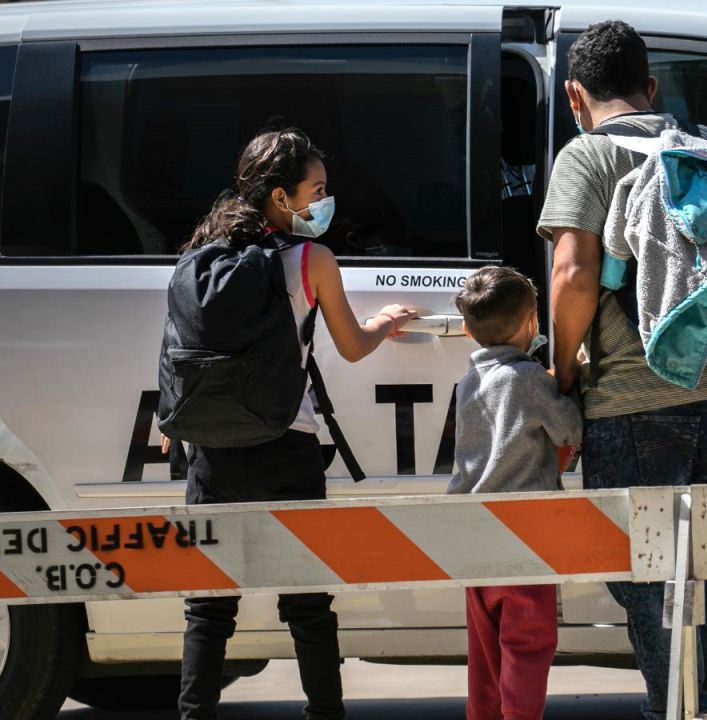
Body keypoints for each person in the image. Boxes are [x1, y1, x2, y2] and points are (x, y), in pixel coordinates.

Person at [536, 20, 707, 720]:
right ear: (651, 86)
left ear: (575, 94)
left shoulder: (588, 155)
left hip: (630, 400)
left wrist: (563, 373)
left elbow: (571, 274)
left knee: (650, 577)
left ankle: (673, 709)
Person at [170, 127, 417, 720]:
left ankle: (194, 713)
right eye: (318, 189)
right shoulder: (311, 259)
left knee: (208, 606)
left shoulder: (200, 253)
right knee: (307, 604)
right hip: (288, 442)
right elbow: (352, 346)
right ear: (282, 197)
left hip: (211, 449)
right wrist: (386, 320)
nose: (325, 201)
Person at [449, 265, 582, 720]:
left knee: (484, 652)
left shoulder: (468, 383)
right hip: (525, 531)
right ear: (532, 322)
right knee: (527, 643)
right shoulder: (529, 379)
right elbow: (567, 430)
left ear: (468, 330)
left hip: (472, 528)